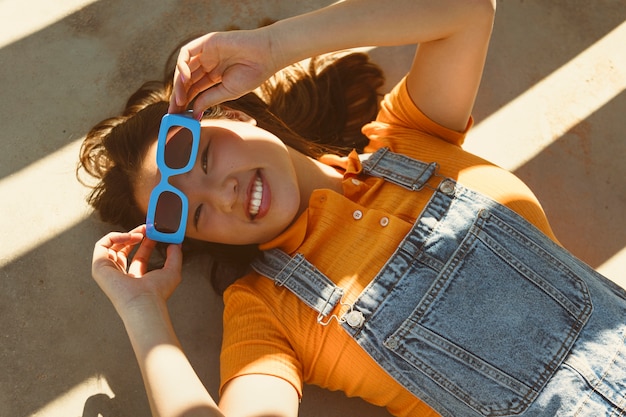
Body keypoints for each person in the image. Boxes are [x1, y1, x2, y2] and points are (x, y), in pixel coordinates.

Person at [81, 1, 626, 416]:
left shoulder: (407, 138)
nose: (219, 193)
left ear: (236, 117)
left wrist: (272, 47)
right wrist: (143, 311)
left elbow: (467, 11)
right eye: (190, 214)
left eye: (199, 155)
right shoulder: (267, 312)